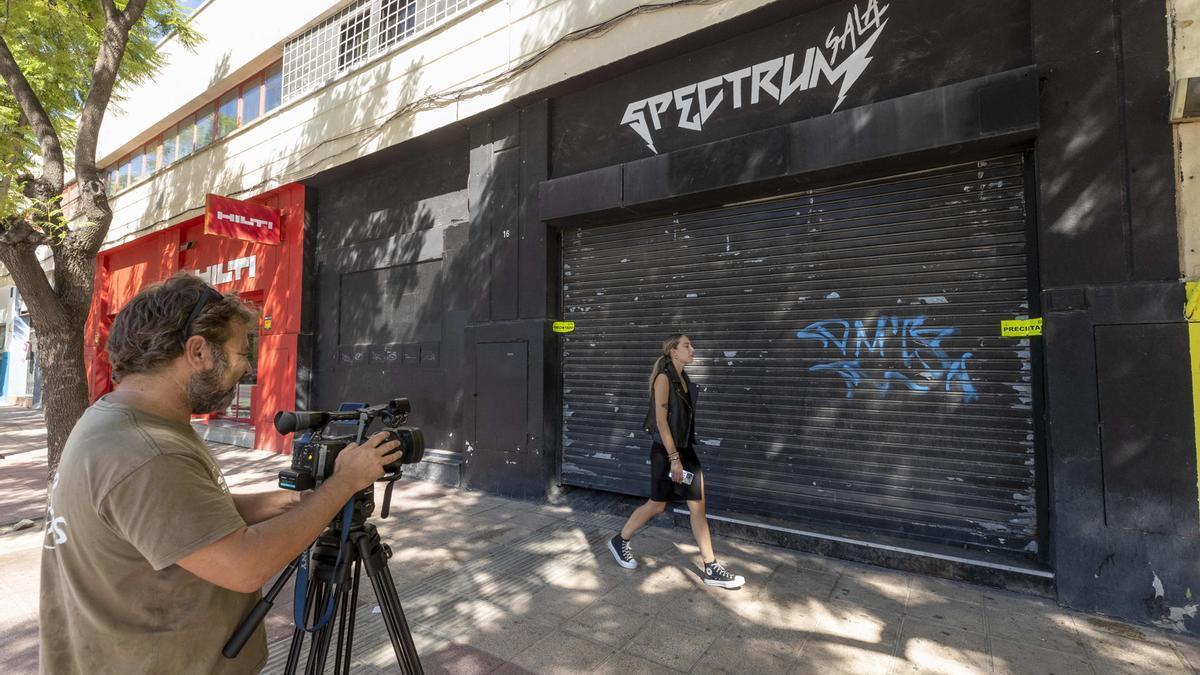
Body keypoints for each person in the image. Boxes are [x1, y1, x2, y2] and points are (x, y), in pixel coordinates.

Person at [39, 273, 403, 674]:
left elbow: (173, 517)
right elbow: (245, 566)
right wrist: (344, 483)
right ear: (197, 351)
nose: (248, 368)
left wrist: (282, 503)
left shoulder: (118, 421)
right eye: (241, 352)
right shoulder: (147, 452)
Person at [607, 334, 745, 589]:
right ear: (673, 352)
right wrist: (674, 460)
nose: (692, 349)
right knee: (657, 505)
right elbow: (661, 423)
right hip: (666, 452)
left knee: (697, 507)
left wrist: (681, 457)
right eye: (686, 345)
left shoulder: (684, 379)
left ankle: (711, 566)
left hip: (684, 450)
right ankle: (620, 540)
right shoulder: (663, 379)